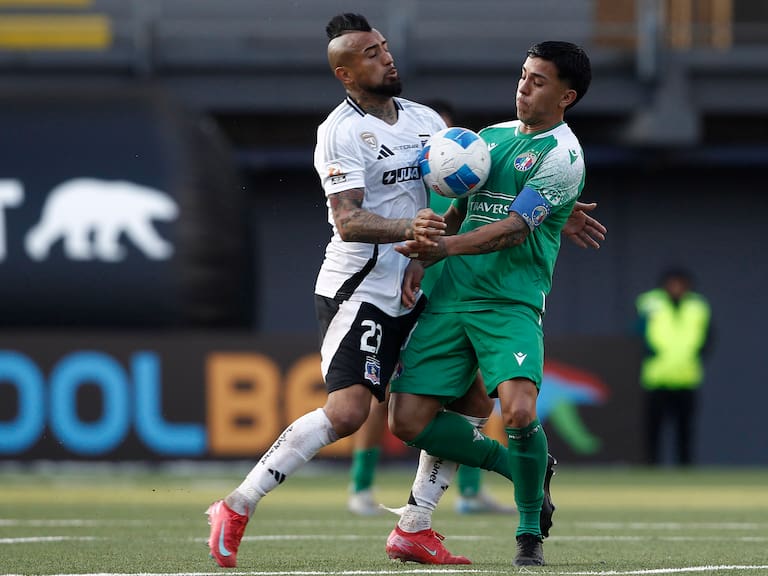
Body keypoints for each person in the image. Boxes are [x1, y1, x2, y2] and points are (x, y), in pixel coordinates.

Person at [206, 15, 603, 568]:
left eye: (385, 47)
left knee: (465, 405)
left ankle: (416, 526)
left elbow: (462, 188)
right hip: (364, 286)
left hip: (428, 287)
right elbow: (347, 220)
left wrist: (556, 209)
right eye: (370, 53)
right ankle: (237, 505)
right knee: (352, 414)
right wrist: (416, 237)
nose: (386, 58)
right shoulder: (339, 132)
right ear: (345, 72)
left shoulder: (424, 121)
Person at [386, 41, 596, 567]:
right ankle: (521, 466)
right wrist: (424, 262)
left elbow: (511, 230)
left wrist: (441, 248)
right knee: (405, 421)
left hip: (510, 300)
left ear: (566, 96)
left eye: (539, 81)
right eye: (524, 75)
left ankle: (529, 535)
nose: (524, 86)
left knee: (520, 409)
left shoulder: (564, 158)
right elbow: (458, 212)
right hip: (452, 296)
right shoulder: (488, 139)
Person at [348, 99, 515, 518]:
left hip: (446, 302)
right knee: (382, 397)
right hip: (402, 300)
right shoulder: (408, 184)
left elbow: (499, 216)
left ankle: (469, 492)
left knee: (476, 397)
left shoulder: (467, 183)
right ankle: (361, 487)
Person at [635, 266, 712, 466]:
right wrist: (648, 350)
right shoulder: (650, 303)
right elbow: (636, 331)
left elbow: (709, 337)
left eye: (680, 283)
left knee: (685, 429)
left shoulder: (698, 307)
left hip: (687, 377)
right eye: (672, 283)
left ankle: (685, 468)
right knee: (654, 428)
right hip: (657, 377)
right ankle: (651, 467)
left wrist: (697, 354)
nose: (676, 287)